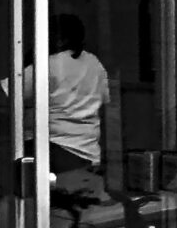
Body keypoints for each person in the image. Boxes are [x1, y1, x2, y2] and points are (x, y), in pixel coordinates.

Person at [48, 13, 113, 220]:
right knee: (83, 212)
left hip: (58, 150)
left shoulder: (50, 64)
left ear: (59, 38)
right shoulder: (94, 62)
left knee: (58, 213)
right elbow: (104, 101)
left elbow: (7, 93)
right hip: (89, 151)